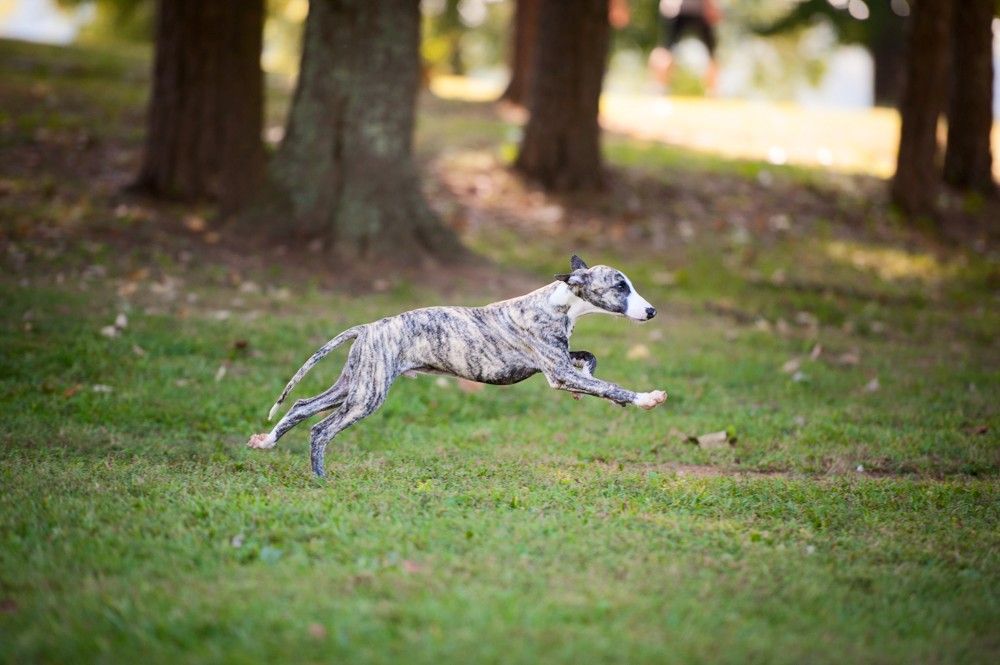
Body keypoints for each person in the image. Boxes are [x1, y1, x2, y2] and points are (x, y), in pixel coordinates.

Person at [649, 0, 722, 94]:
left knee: (666, 49)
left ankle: (659, 88)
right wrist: (711, 5)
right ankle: (659, 87)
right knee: (665, 50)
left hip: (687, 9)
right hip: (680, 8)